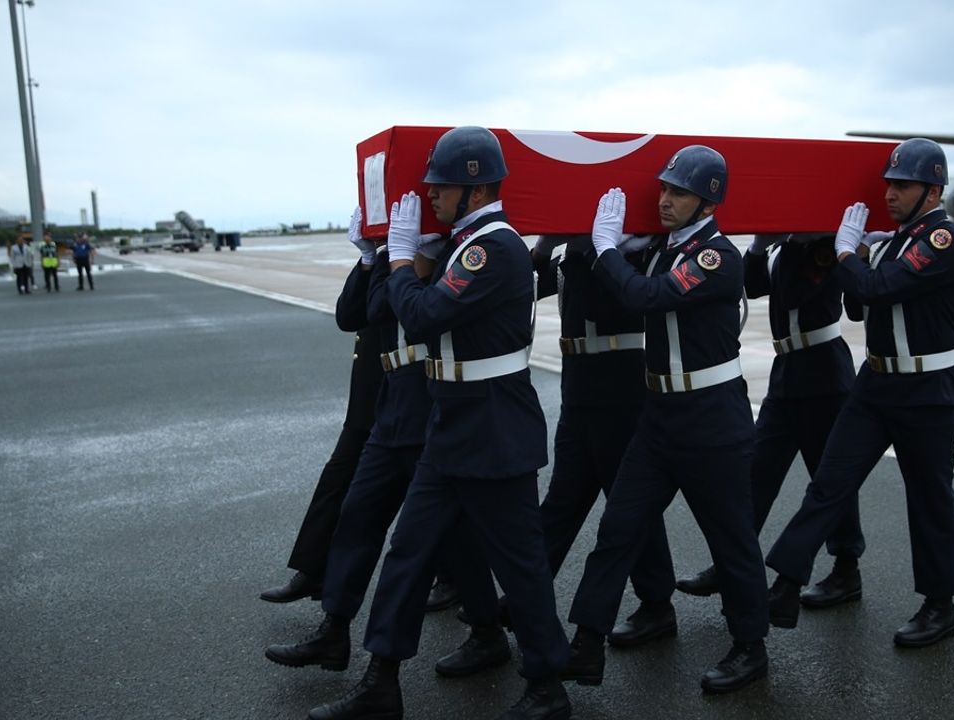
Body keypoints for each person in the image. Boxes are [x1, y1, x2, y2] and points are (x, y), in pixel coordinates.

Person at [306, 126, 570, 720]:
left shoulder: (492, 247)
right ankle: (381, 681)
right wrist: (394, 256)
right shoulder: (464, 243)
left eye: (440, 190)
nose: (430, 198)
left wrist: (401, 260)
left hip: (495, 431)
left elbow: (425, 316)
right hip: (451, 426)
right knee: (408, 552)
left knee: (520, 566)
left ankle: (549, 685)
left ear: (474, 190)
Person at [562, 146, 769, 695]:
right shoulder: (662, 251)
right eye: (664, 189)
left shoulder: (717, 257)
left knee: (731, 540)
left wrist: (608, 250)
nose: (665, 199)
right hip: (659, 417)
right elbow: (632, 284)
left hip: (712, 420)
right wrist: (602, 250)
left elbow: (643, 297)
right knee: (618, 529)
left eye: (678, 191)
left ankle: (751, 646)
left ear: (708, 200)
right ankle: (585, 642)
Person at [265, 208, 488, 678]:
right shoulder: (396, 256)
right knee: (357, 519)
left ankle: (488, 634)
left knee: (448, 537)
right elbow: (355, 314)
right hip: (388, 408)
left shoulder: (452, 255)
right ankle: (334, 630)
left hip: (429, 402)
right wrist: (371, 259)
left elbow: (410, 311)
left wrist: (405, 259)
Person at [764, 138, 954, 648]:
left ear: (933, 190)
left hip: (927, 389)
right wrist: (858, 255)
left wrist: (847, 254)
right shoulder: (896, 240)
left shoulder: (942, 238)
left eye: (903, 186)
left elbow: (877, 289)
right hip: (876, 384)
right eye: (890, 185)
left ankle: (939, 606)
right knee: (828, 485)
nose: (892, 194)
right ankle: (785, 582)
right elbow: (860, 306)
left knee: (929, 499)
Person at [675, 226, 876, 617]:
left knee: (829, 480)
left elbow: (801, 291)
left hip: (823, 374)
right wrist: (757, 247)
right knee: (756, 473)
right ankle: (731, 563)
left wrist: (802, 241)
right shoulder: (789, 245)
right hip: (787, 373)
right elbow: (752, 286)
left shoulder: (822, 246)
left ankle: (846, 568)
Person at [528, 232, 677, 648]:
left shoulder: (628, 253)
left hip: (617, 388)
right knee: (562, 500)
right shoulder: (577, 254)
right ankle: (529, 593)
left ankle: (656, 603)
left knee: (627, 502)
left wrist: (588, 246)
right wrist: (543, 247)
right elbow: (529, 286)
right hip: (579, 386)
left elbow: (606, 302)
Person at [260, 214, 385, 605]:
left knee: (434, 497)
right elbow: (348, 317)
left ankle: (459, 583)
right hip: (369, 396)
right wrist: (368, 259)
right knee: (337, 479)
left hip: (414, 393)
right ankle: (313, 570)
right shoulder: (388, 256)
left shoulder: (433, 254)